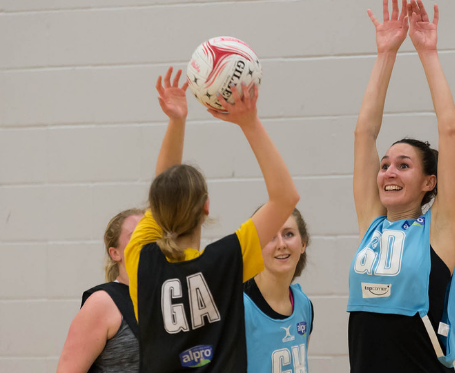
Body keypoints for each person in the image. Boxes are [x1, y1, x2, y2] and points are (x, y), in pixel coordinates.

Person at [124, 67, 299, 372]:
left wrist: (176, 121)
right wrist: (249, 123)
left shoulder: (139, 258)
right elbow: (286, 198)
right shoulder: (228, 259)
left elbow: (164, 186)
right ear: (206, 207)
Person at [348, 1, 455, 371]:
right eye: (385, 166)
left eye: (403, 165)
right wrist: (386, 53)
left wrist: (427, 53)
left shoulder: (439, 231)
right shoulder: (372, 224)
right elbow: (364, 133)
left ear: (430, 182)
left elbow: (448, 130)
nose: (388, 172)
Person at [57, 208, 144, 373]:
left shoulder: (167, 298)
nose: (145, 240)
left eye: (150, 234)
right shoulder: (102, 303)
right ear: (115, 253)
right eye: (136, 236)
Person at [243, 208, 314, 373]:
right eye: (270, 236)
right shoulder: (239, 307)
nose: (281, 244)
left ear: (303, 244)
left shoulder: (304, 305)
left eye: (288, 234)